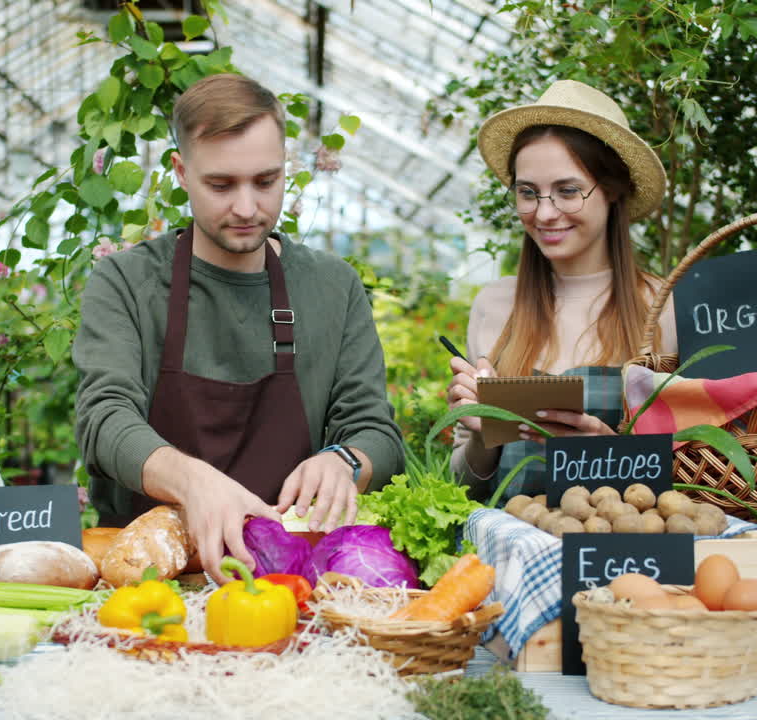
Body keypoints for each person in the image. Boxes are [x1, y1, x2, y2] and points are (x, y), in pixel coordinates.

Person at [73, 73, 404, 584]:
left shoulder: (332, 286)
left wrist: (345, 461)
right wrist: (193, 482)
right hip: (150, 583)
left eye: (266, 181)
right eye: (221, 185)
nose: (248, 208)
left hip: (295, 583)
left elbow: (375, 431)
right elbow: (104, 419)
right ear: (182, 172)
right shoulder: (126, 282)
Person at [446, 79, 678, 500]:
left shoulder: (663, 308)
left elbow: (698, 481)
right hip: (509, 555)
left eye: (568, 191)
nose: (545, 213)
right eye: (528, 193)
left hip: (623, 557)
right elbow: (464, 487)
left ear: (611, 190)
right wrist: (480, 433)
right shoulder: (493, 305)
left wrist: (607, 453)